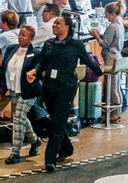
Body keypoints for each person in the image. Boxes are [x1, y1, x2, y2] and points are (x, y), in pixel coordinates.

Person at [26, 14, 102, 172]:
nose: (54, 26)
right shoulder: (49, 44)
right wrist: (35, 71)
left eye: (58, 24)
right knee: (56, 121)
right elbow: (42, 63)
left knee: (58, 122)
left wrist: (99, 70)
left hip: (66, 87)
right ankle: (67, 148)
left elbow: (87, 60)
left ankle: (49, 159)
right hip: (49, 86)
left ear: (67, 26)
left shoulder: (76, 45)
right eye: (54, 24)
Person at [0, 25, 42, 165]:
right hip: (13, 88)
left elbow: (39, 69)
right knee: (21, 118)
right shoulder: (12, 49)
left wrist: (33, 74)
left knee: (17, 118)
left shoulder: (35, 53)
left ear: (31, 38)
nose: (20, 37)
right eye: (20, 34)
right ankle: (35, 140)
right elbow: (3, 68)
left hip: (28, 91)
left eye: (24, 35)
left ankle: (15, 152)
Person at [89, 0, 126, 123]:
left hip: (110, 58)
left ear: (111, 14)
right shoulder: (120, 24)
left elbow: (104, 44)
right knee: (116, 87)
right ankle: (118, 112)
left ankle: (114, 114)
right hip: (118, 56)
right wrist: (100, 34)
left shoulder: (112, 26)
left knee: (111, 88)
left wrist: (96, 35)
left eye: (106, 13)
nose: (105, 16)